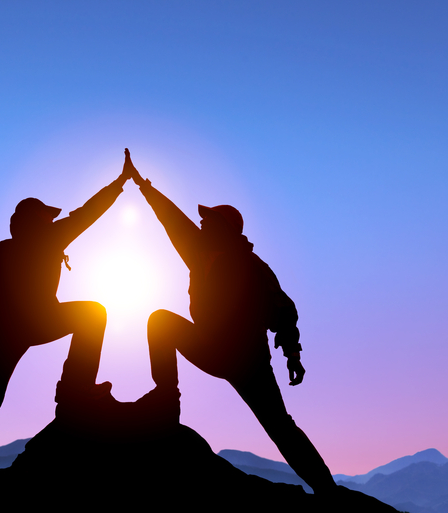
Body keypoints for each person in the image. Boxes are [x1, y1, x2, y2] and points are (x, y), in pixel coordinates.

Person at [125, 151, 337, 494]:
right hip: (209, 346)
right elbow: (171, 218)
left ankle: (327, 490)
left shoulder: (253, 268)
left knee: (280, 427)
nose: (202, 225)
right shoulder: (197, 251)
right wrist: (142, 184)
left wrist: (292, 356)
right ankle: (166, 401)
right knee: (160, 321)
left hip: (248, 362)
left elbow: (283, 312)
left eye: (209, 222)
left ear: (226, 230)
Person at [0, 153, 134, 479]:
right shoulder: (49, 239)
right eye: (45, 217)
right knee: (93, 313)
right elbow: (88, 214)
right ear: (35, 222)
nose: (50, 221)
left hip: (4, 332)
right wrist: (119, 183)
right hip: (37, 322)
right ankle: (76, 391)